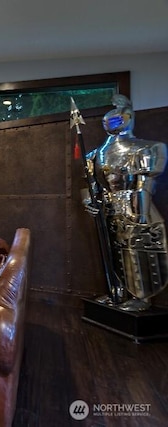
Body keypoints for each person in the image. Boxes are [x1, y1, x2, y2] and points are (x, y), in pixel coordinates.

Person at [85, 94, 168, 310]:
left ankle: (141, 295)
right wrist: (90, 201)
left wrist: (140, 212)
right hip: (108, 205)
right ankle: (117, 290)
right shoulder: (96, 154)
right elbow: (92, 184)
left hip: (134, 203)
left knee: (135, 249)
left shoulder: (146, 148)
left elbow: (144, 184)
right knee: (111, 249)